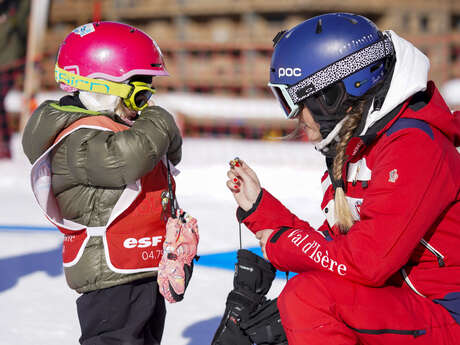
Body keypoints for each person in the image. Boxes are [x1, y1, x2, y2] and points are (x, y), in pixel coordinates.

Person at [226, 13, 460, 345]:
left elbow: (366, 263)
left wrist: (282, 243)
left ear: (332, 95)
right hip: (413, 307)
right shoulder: (361, 149)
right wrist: (262, 210)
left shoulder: (413, 146)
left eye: (292, 99)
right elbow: (336, 251)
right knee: (298, 305)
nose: (293, 116)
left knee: (308, 298)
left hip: (446, 312)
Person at [22, 21, 191, 345]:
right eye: (139, 95)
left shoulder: (117, 127)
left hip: (138, 267)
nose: (144, 107)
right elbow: (125, 160)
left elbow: (171, 153)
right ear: (99, 87)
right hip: (108, 275)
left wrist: (157, 127)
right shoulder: (76, 141)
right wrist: (160, 120)